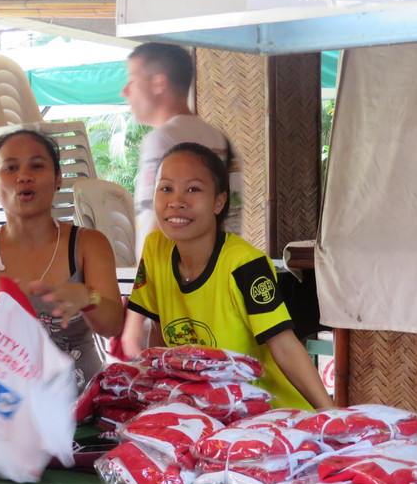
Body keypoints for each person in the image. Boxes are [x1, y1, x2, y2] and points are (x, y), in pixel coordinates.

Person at [127, 142, 332, 411]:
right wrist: (159, 395)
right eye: (166, 188)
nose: (176, 201)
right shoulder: (155, 250)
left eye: (193, 189)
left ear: (218, 202)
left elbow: (285, 346)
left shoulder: (245, 264)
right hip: (205, 410)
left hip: (268, 412)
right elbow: (159, 332)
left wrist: (330, 414)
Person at [0, 129, 124, 392]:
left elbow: (113, 325)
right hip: (8, 406)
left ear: (58, 179)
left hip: (84, 404)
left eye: (37, 165)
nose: (24, 176)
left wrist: (88, 298)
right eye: (10, 168)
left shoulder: (88, 244)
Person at [119, 41, 241, 359]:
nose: (125, 91)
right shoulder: (219, 139)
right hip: (216, 292)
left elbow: (157, 228)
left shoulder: (163, 140)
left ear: (158, 83)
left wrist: (136, 317)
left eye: (132, 80)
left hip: (169, 298)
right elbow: (232, 219)